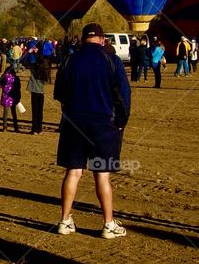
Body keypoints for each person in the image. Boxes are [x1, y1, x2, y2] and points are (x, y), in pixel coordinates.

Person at [54, 22, 131, 239]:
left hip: (74, 121)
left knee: (73, 171)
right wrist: (122, 120)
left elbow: (59, 92)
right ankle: (108, 224)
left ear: (83, 39)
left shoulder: (70, 60)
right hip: (103, 123)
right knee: (102, 175)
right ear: (102, 39)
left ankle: (65, 220)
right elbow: (124, 95)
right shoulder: (112, 60)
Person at [0, 64, 21, 132]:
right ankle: (16, 127)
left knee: (5, 113)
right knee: (14, 112)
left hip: (6, 96)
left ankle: (4, 127)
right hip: (13, 96)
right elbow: (18, 88)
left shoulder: (4, 77)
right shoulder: (16, 78)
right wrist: (18, 97)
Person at [26, 60, 46, 134]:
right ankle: (39, 129)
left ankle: (34, 129)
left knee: (35, 112)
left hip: (35, 93)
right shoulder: (44, 74)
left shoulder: (33, 74)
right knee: (40, 112)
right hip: (41, 93)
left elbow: (30, 65)